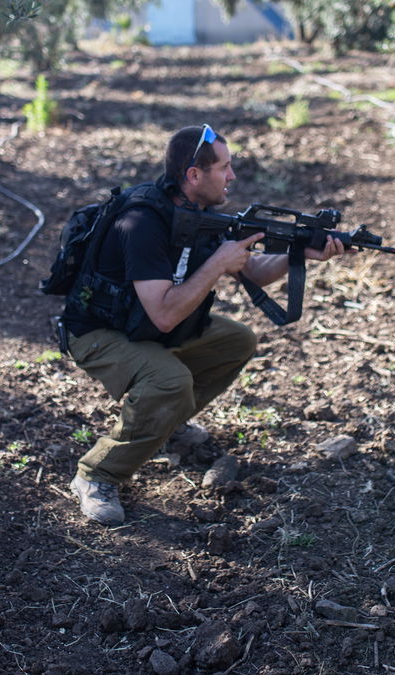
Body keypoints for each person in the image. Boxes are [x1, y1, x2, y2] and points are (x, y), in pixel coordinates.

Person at [61, 124, 346, 525]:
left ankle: (165, 425)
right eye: (225, 167)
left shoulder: (195, 214)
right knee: (170, 381)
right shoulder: (143, 222)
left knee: (237, 340)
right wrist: (216, 264)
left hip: (142, 326)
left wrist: (301, 255)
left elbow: (254, 271)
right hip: (98, 332)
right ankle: (98, 474)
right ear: (194, 175)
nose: (232, 176)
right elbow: (163, 312)